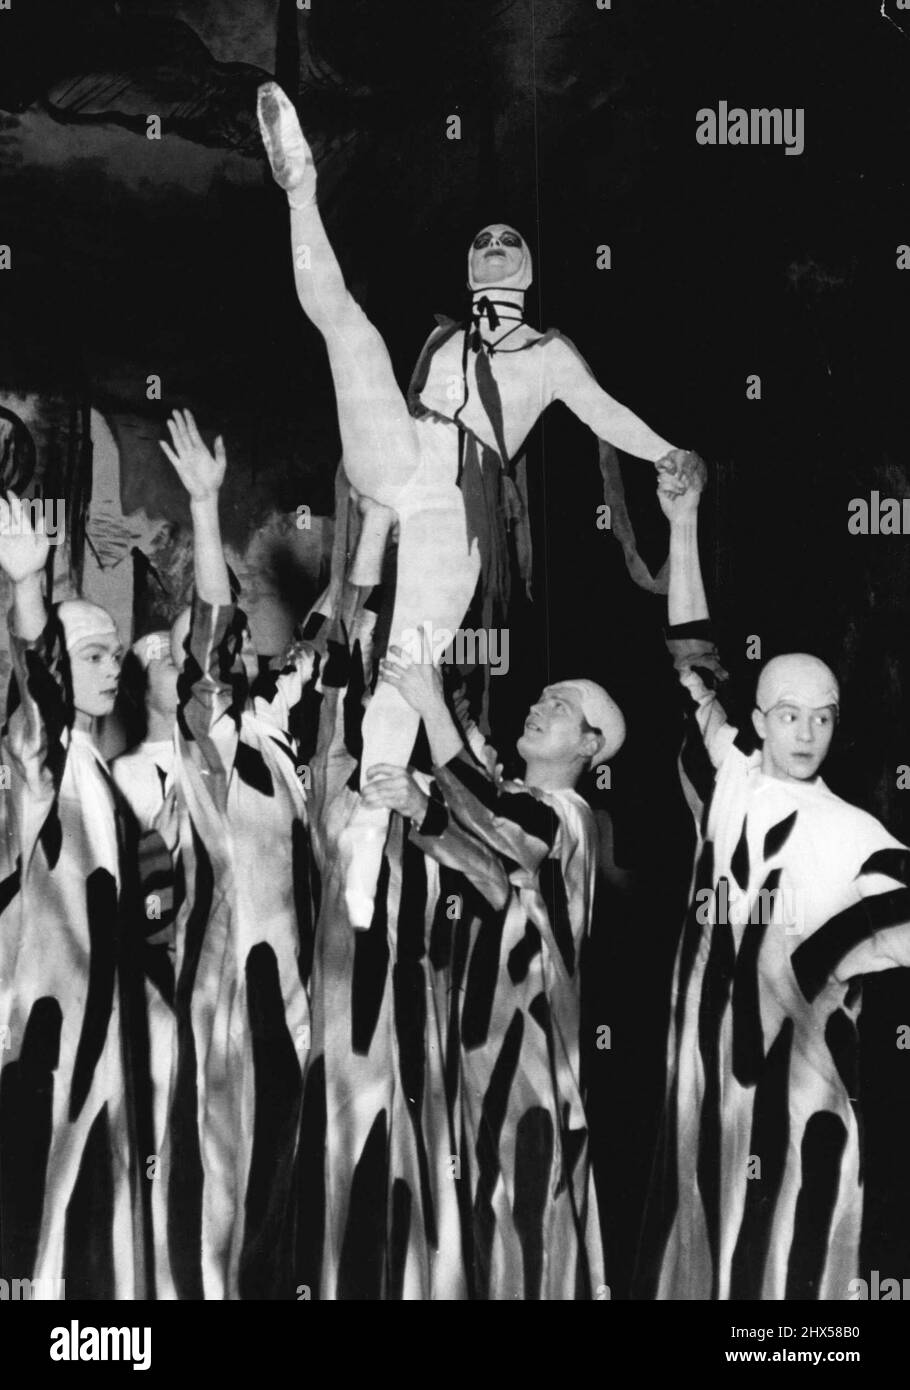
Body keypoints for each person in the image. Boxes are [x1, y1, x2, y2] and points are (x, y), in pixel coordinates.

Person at [256, 79, 698, 930]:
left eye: (508, 241)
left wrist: (668, 453)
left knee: (405, 667)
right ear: (469, 268)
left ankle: (368, 830)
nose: (492, 246)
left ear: (526, 271)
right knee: (349, 328)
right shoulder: (443, 342)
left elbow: (607, 413)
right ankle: (301, 187)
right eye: (482, 242)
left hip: (456, 508)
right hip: (404, 450)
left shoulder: (549, 355)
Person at [637, 459, 910, 1301]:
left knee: (785, 1289)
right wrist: (682, 522)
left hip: (800, 1112)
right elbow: (690, 657)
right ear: (758, 722)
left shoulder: (853, 831)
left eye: (822, 716)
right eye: (788, 714)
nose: (807, 731)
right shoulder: (734, 779)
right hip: (703, 1096)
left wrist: (813, 964)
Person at [362, 640, 625, 1297]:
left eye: (559, 708)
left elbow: (503, 823)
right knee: (480, 1201)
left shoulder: (571, 817)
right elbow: (484, 868)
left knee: (527, 1206)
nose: (539, 707)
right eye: (541, 698)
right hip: (481, 1044)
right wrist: (420, 811)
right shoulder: (522, 809)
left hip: (531, 1053)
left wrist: (432, 711)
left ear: (590, 746)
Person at [156, 410, 316, 1300]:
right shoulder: (217, 733)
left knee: (282, 1181)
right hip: (217, 997)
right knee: (213, 1174)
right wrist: (207, 509)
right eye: (278, 660)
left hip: (292, 1001)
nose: (287, 663)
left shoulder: (304, 763)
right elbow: (212, 640)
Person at [0, 494, 152, 1297]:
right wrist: (28, 593)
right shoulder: (41, 764)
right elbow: (39, 705)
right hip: (35, 1051)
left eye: (116, 654)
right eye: (93, 655)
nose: (113, 667)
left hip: (98, 1057)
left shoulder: (106, 779)